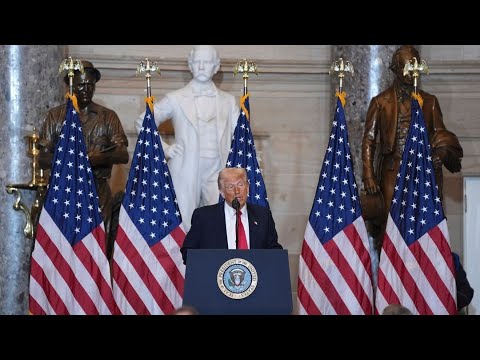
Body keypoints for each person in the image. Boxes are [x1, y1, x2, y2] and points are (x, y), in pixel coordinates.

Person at [361, 45, 463, 252]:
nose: (411, 71)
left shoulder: (430, 102)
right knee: (390, 222)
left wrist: (439, 154)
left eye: (414, 65)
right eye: (407, 66)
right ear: (395, 69)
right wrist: (369, 175)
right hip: (392, 169)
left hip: (421, 172)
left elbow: (441, 135)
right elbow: (369, 140)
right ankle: (389, 272)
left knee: (422, 224)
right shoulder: (381, 102)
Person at [135, 45, 240, 232]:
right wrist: (166, 149)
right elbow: (143, 121)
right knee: (184, 218)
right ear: (190, 65)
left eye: (206, 62)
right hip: (185, 166)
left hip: (219, 167)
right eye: (197, 62)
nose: (201, 67)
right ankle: (182, 260)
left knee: (221, 220)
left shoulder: (229, 101)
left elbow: (240, 137)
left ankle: (215, 260)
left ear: (215, 67)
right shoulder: (176, 98)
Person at [38, 60, 129, 257]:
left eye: (91, 85)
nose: (87, 89)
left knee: (98, 250)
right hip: (64, 191)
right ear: (70, 85)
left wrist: (98, 159)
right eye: (81, 85)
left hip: (98, 191)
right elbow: (42, 159)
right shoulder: (55, 116)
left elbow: (122, 154)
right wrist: (71, 158)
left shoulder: (108, 117)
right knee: (61, 252)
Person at [180, 168, 282, 265]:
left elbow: (274, 250)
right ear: (222, 193)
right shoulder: (204, 217)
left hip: (255, 279)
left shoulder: (263, 215)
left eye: (240, 185)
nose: (237, 191)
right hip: (215, 279)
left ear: (248, 188)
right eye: (230, 187)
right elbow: (188, 253)